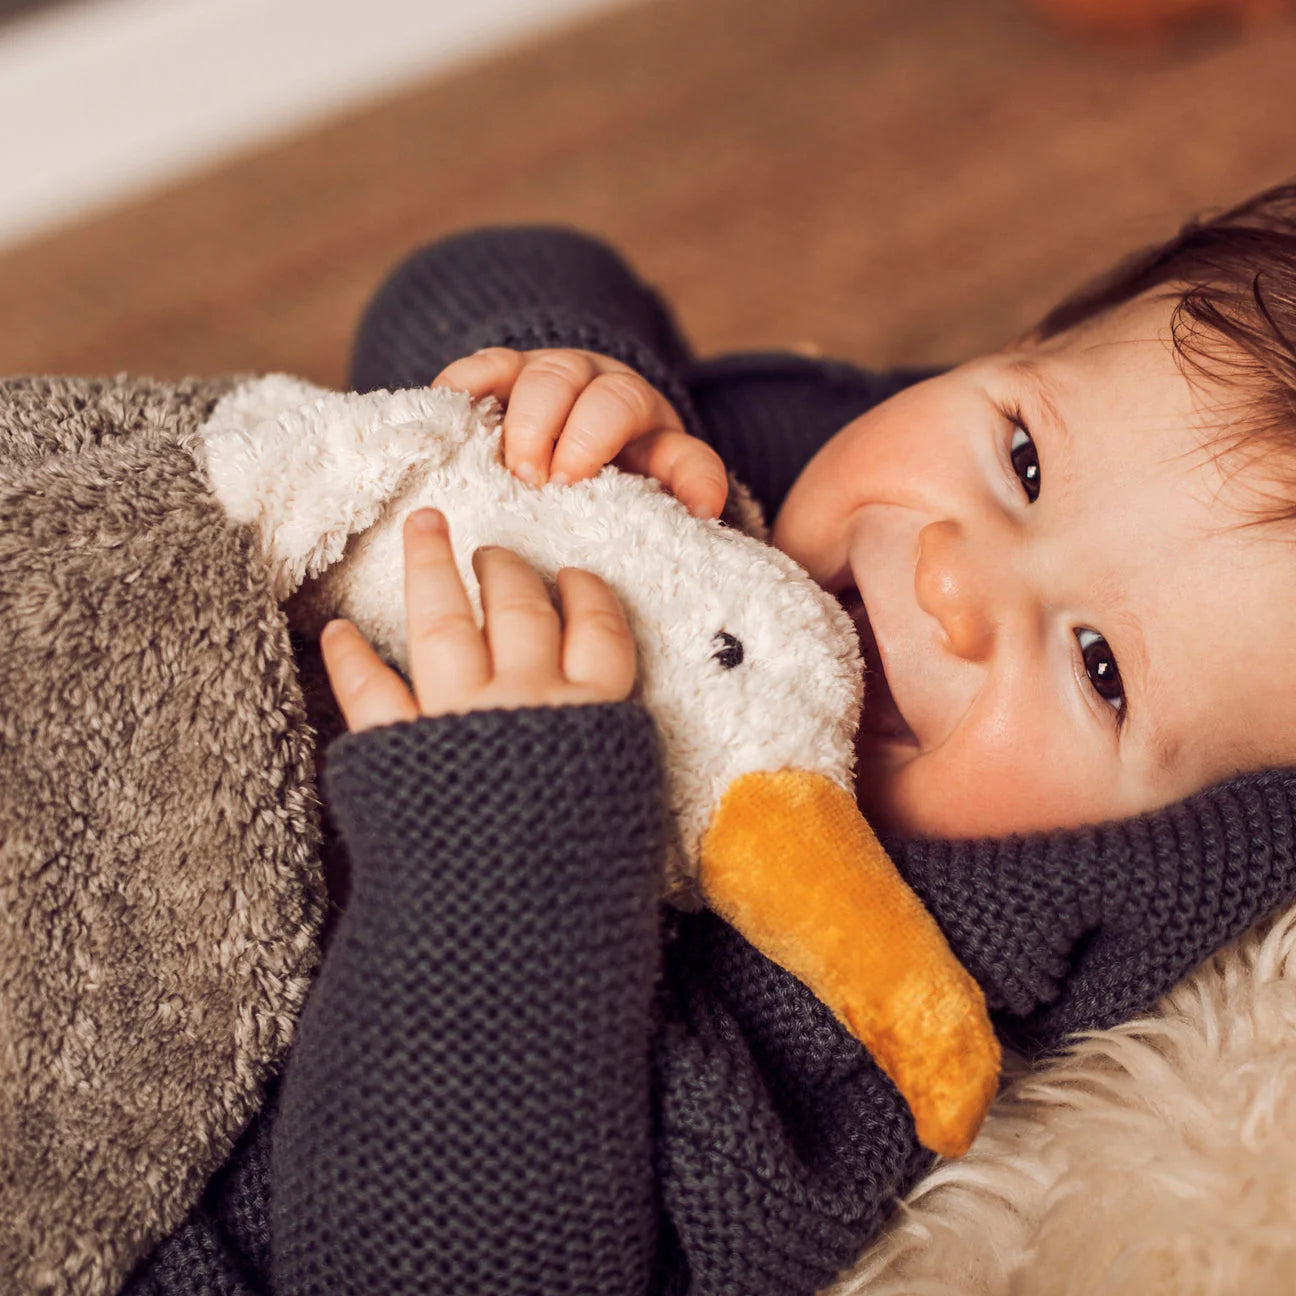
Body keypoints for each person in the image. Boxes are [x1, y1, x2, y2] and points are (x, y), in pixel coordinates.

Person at [127, 181, 1296, 1295]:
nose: (953, 577)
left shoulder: (868, 1021)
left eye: (1100, 668)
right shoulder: (751, 474)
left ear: (1175, 836)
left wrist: (497, 865)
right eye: (1024, 460)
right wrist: (560, 384)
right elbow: (479, 264)